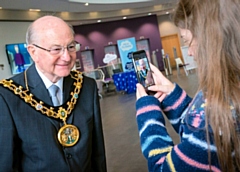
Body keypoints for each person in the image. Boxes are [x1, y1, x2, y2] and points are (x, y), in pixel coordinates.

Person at [135, 0, 240, 171]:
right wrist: (173, 97)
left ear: (210, 41)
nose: (189, 52)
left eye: (187, 41)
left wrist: (148, 113)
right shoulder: (227, 96)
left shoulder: (210, 126)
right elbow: (199, 133)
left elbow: (162, 168)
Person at [0, 16, 107, 171]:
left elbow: (97, 153)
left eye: (71, 47)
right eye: (56, 49)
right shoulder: (7, 96)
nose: (67, 57)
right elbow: (6, 165)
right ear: (33, 52)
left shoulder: (86, 87)